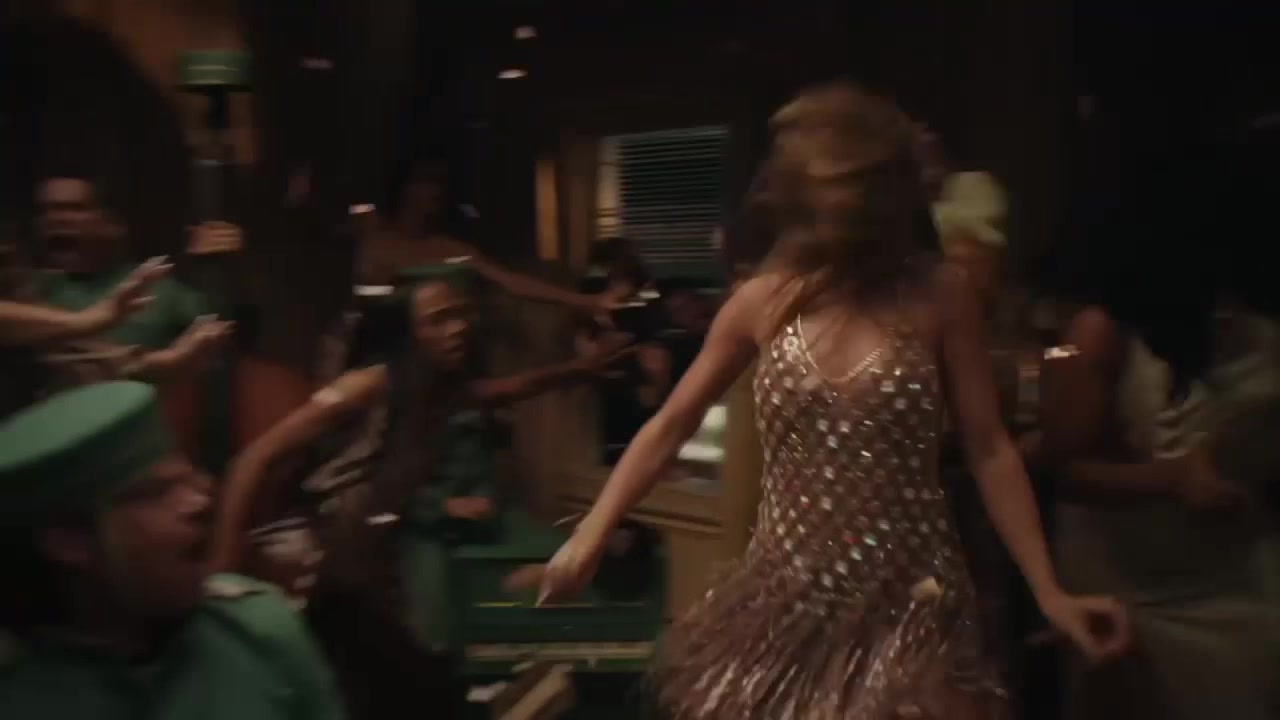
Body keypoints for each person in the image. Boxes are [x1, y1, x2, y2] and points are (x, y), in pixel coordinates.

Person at [533, 84, 1129, 719]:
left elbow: (989, 448)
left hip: (912, 605)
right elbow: (671, 423)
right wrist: (590, 535)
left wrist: (1049, 592)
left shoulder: (939, 294)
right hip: (786, 601)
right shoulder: (761, 301)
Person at [209, 264, 632, 719]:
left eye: (460, 314)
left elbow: (505, 389)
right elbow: (252, 460)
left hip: (378, 563)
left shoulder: (442, 387)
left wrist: (577, 370)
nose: (458, 328)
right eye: (439, 320)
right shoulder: (368, 383)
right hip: (341, 565)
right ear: (408, 333)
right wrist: (218, 576)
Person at [0, 381, 343, 719]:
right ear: (68, 541)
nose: (200, 502)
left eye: (188, 477)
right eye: (155, 492)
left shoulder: (255, 633)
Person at [30, 175, 232, 381]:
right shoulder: (26, 292)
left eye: (75, 208)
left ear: (112, 225)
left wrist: (218, 263)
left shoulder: (156, 288)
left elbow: (218, 333)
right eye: (44, 211)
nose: (55, 218)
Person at [354, 158, 616, 316]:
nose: (435, 190)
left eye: (439, 182)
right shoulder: (378, 245)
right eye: (425, 181)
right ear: (404, 189)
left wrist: (586, 301)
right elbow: (366, 309)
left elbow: (512, 282)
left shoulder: (450, 248)